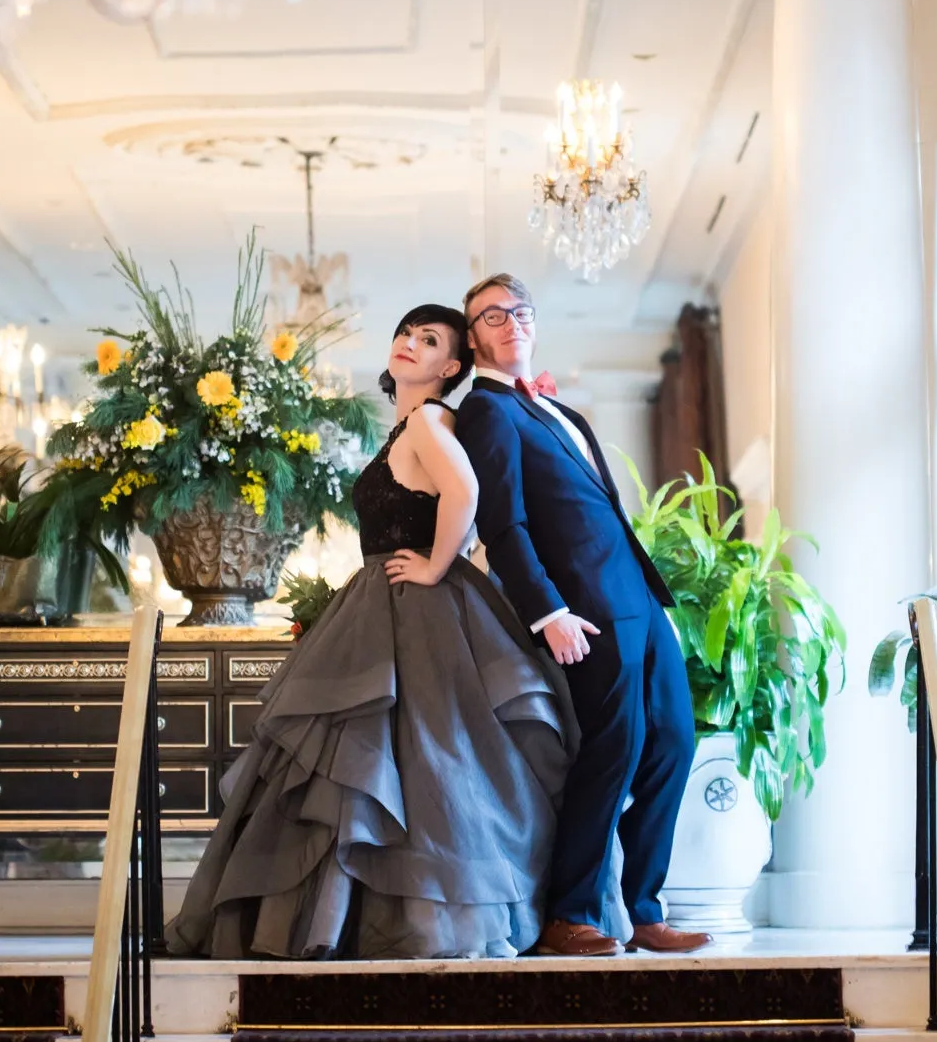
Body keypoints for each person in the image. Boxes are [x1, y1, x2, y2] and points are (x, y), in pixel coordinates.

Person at [166, 303, 574, 960]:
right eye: (406, 333)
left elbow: (464, 493)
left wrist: (437, 564)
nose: (410, 344)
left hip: (418, 606)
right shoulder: (408, 427)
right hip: (388, 603)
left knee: (429, 761)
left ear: (452, 365)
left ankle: (406, 920)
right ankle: (362, 918)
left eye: (430, 339)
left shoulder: (430, 420)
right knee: (406, 762)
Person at [455, 272, 707, 959]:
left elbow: (606, 516)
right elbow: (502, 524)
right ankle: (569, 913)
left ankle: (644, 909)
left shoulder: (557, 408)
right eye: (493, 315)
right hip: (584, 612)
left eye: (520, 310)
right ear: (473, 334)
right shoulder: (486, 412)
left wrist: (659, 607)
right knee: (614, 749)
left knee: (675, 744)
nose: (512, 322)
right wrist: (549, 612)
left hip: (640, 604)